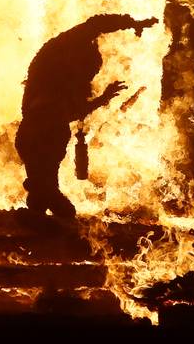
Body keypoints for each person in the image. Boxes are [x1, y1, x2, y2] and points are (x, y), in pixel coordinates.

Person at [15, 13, 157, 217]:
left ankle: (37, 216)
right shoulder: (55, 57)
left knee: (43, 195)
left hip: (40, 138)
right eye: (89, 71)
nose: (90, 77)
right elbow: (96, 24)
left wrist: (104, 98)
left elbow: (71, 112)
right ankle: (36, 218)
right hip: (41, 139)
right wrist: (132, 23)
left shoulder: (53, 88)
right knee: (55, 202)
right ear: (77, 62)